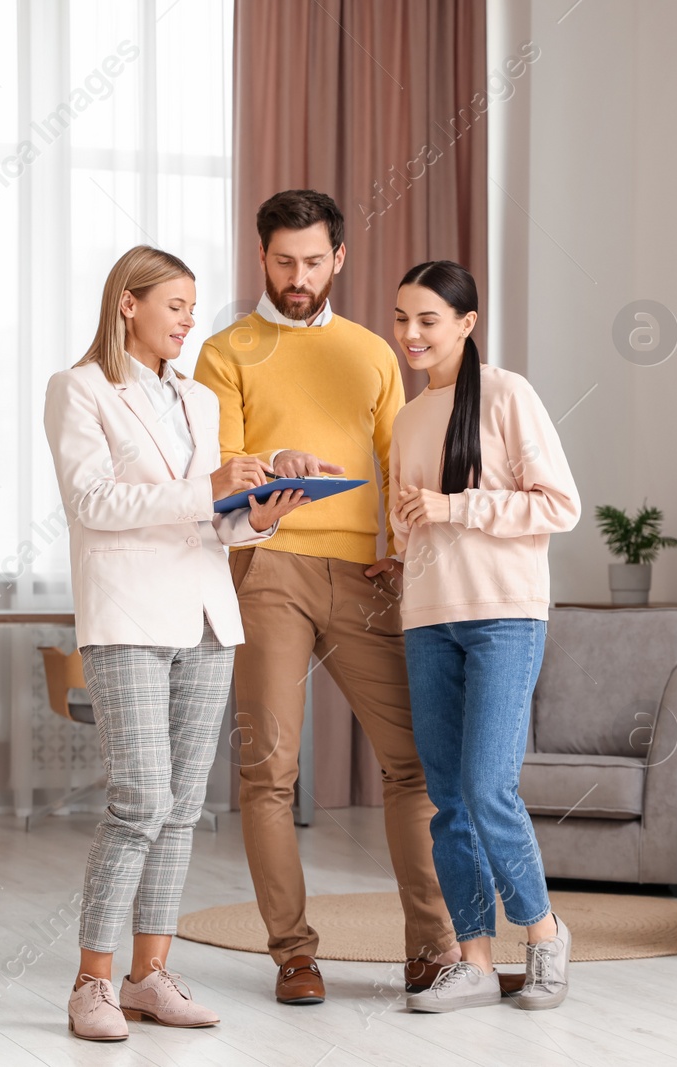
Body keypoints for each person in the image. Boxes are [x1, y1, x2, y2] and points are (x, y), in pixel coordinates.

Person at [194, 190, 468, 1005]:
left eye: (314, 262)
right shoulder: (224, 351)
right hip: (268, 569)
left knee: (412, 761)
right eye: (283, 262)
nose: (298, 277)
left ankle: (433, 947)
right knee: (268, 771)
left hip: (365, 574)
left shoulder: (373, 352)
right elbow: (224, 462)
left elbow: (401, 459)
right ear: (262, 257)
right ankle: (293, 953)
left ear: (339, 259)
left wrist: (400, 552)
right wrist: (268, 475)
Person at [43, 245, 308, 1040]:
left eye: (195, 308)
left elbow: (206, 520)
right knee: (139, 800)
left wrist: (253, 514)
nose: (191, 320)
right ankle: (90, 983)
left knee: (184, 807)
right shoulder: (79, 389)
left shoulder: (196, 400)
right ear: (129, 302)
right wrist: (210, 487)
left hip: (205, 616)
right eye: (177, 305)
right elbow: (94, 500)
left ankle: (149, 976)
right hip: (127, 618)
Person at [385, 260, 581, 1012]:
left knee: (487, 785)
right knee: (447, 799)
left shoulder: (506, 394)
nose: (410, 333)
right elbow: (416, 524)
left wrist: (452, 508)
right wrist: (404, 541)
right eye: (402, 318)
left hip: (504, 614)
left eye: (428, 319)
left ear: (467, 323)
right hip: (429, 618)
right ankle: (471, 957)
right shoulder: (409, 416)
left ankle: (542, 935)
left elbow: (559, 504)